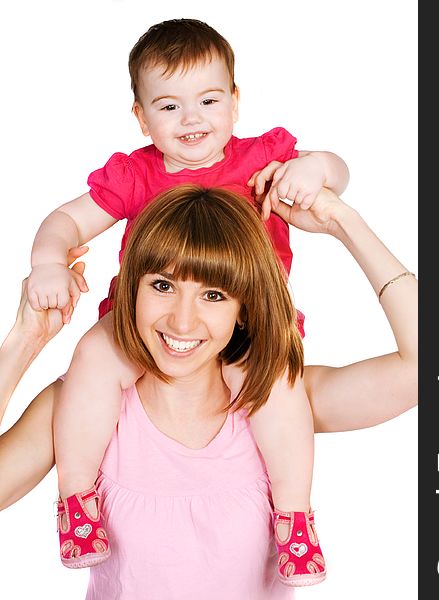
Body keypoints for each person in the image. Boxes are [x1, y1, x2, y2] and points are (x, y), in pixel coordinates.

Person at [24, 18, 350, 582]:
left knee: (279, 387)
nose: (192, 118)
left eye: (208, 99)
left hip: (249, 322)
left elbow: (337, 172)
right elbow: (64, 219)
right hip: (150, 327)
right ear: (141, 116)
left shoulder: (260, 159)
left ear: (234, 102)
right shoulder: (137, 175)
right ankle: (78, 503)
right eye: (169, 106)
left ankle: (294, 517)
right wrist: (48, 262)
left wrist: (315, 169)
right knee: (92, 361)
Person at [0, 185, 417, 599]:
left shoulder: (282, 401)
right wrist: (24, 341)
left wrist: (343, 222)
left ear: (243, 309)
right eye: (162, 286)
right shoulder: (80, 406)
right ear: (132, 289)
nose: (182, 322)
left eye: (213, 295)